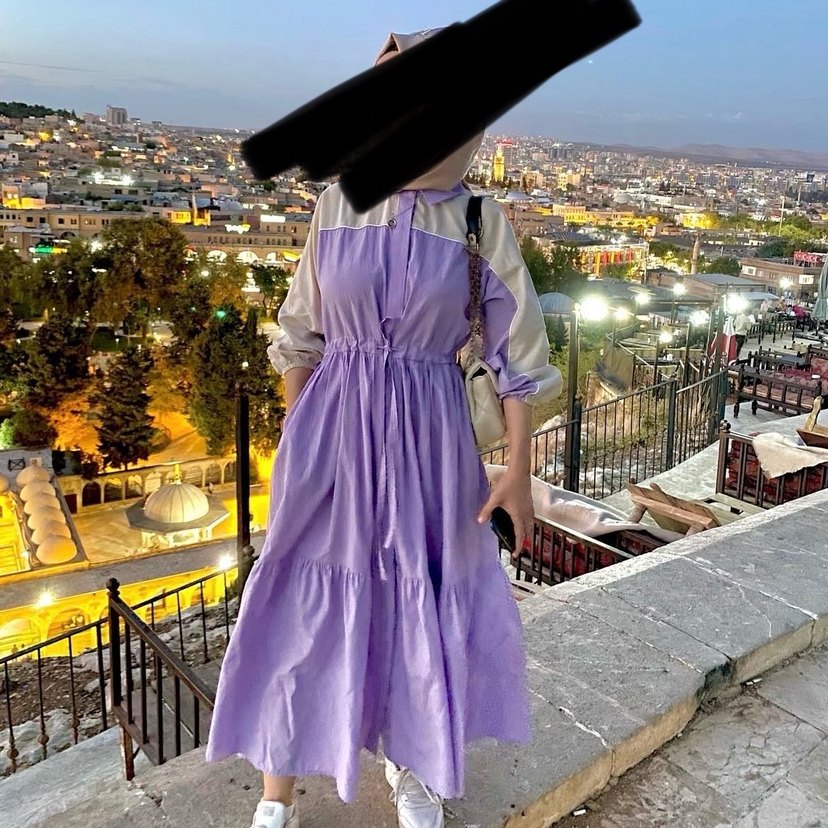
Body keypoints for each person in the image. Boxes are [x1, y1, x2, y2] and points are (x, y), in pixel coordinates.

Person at [205, 28, 563, 828]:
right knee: (302, 600)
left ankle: (416, 766)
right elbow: (301, 329)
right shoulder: (338, 203)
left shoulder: (478, 219)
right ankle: (276, 796)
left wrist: (517, 469)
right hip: (331, 432)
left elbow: (518, 354)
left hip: (432, 440)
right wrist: (299, 432)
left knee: (417, 599)